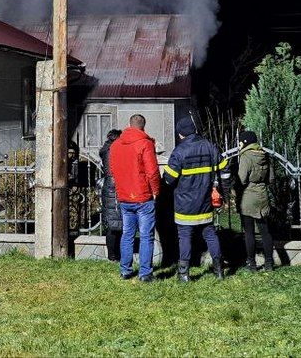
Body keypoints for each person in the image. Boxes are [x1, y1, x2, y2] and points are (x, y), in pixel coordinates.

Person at [162, 116, 226, 282]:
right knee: (210, 234)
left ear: (181, 134)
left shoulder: (179, 151)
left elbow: (169, 179)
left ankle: (184, 273)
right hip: (205, 201)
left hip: (185, 204)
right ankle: (219, 270)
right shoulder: (209, 146)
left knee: (185, 237)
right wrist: (223, 192)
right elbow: (224, 170)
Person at [109, 114, 160, 282]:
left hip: (124, 196)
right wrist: (156, 191)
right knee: (146, 236)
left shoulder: (115, 145)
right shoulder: (145, 143)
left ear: (128, 125)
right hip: (143, 196)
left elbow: (113, 169)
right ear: (143, 127)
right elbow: (152, 172)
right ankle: (145, 273)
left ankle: (125, 269)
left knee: (127, 234)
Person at [236, 130, 276, 271]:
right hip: (262, 195)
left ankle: (252, 264)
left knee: (249, 232)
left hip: (248, 195)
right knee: (265, 231)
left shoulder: (246, 156)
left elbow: (242, 178)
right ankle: (269, 263)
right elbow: (271, 178)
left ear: (244, 142)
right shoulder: (265, 154)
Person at [98, 129, 123, 261]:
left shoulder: (106, 149)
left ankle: (113, 255)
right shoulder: (114, 149)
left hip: (109, 187)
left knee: (114, 224)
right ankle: (114, 255)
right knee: (117, 224)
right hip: (116, 187)